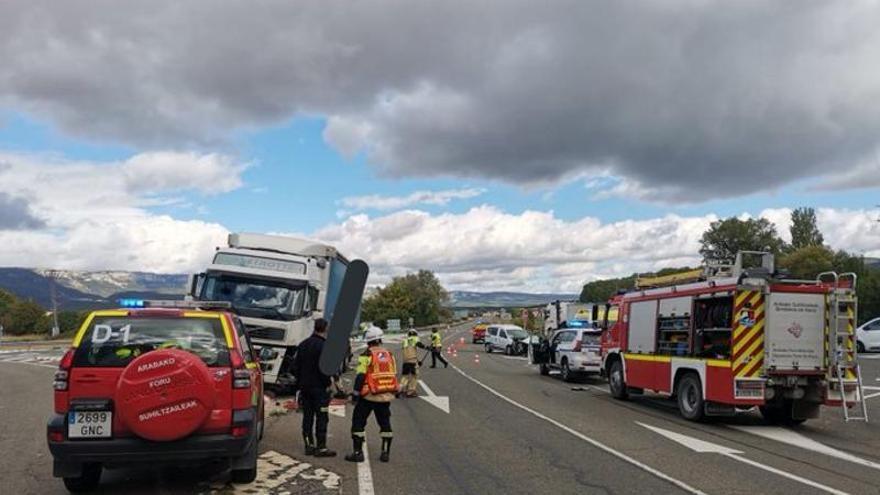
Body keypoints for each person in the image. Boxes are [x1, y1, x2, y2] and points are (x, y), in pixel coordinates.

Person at [345, 326, 398, 463]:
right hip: (385, 394)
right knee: (385, 424)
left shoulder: (366, 355)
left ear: (368, 341)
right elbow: (393, 373)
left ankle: (358, 453)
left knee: (358, 422)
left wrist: (356, 394)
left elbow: (360, 376)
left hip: (368, 395)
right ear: (380, 339)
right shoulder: (389, 354)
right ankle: (385, 452)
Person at [291, 318, 336, 457]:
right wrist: (328, 384)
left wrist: (300, 380)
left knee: (307, 417)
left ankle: (308, 445)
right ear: (326, 329)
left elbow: (293, 367)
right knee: (322, 417)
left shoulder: (303, 345)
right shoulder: (325, 347)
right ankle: (321, 447)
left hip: (305, 388)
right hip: (320, 389)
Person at [399, 329, 426, 397]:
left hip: (405, 361)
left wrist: (418, 361)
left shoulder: (405, 341)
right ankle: (411, 392)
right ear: (415, 334)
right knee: (414, 376)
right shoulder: (415, 338)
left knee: (405, 376)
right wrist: (427, 347)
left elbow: (410, 351)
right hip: (413, 361)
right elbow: (419, 344)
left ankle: (400, 389)